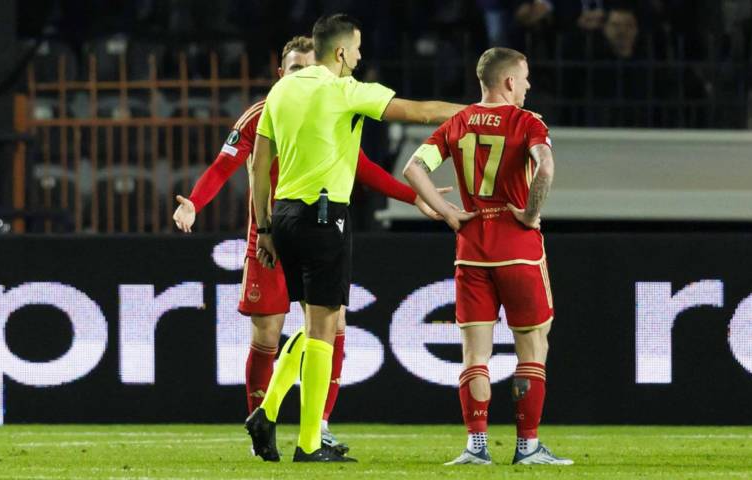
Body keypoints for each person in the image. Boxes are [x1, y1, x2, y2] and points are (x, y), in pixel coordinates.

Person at [172, 35, 449, 458]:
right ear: (281, 74)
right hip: (271, 236)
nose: (304, 75)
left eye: (309, 67)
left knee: (330, 328)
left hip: (294, 226)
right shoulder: (262, 114)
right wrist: (194, 201)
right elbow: (224, 165)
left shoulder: (330, 106)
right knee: (269, 334)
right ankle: (262, 426)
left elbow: (363, 168)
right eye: (295, 69)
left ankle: (316, 426)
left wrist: (416, 198)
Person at [247, 13, 470, 462]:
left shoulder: (281, 89)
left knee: (314, 326)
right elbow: (422, 111)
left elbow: (257, 165)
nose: (362, 56)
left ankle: (267, 412)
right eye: (359, 48)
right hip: (325, 216)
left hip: (284, 217)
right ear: (342, 52)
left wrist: (265, 228)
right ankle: (308, 443)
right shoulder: (346, 90)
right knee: (326, 328)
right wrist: (482, 113)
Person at [403, 47, 573, 466]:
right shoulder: (526, 122)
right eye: (526, 77)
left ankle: (476, 447)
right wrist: (531, 214)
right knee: (531, 347)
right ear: (509, 81)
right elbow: (546, 168)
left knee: (475, 355)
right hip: (517, 249)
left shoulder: (457, 123)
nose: (529, 85)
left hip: (471, 247)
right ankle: (527, 446)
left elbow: (412, 168)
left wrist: (446, 213)